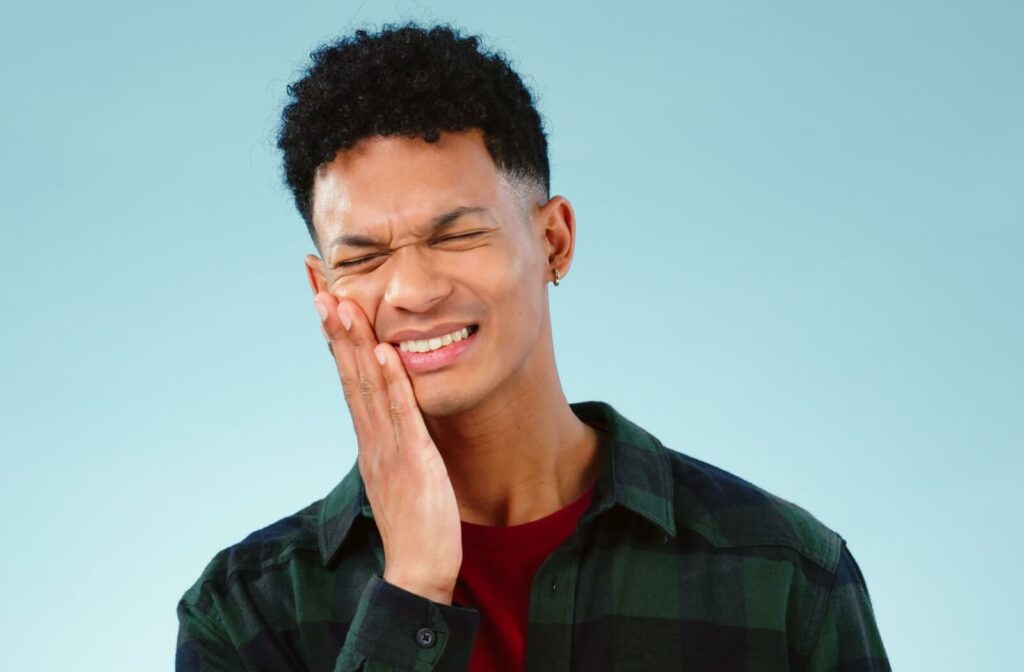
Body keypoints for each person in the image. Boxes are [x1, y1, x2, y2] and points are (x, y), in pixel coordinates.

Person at [175, 22, 890, 672]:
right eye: (362, 258)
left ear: (554, 240)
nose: (413, 291)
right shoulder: (244, 615)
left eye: (457, 235)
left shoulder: (785, 574)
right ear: (321, 285)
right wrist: (414, 589)